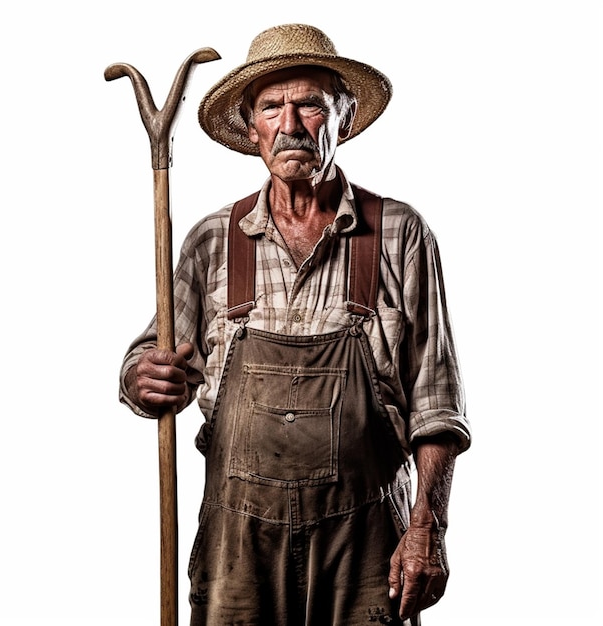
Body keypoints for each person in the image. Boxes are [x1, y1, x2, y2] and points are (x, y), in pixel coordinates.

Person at [120, 23, 471, 626]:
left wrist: (427, 528)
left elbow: (436, 405)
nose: (290, 123)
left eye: (310, 103)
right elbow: (155, 357)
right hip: (238, 549)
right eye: (271, 106)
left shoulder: (399, 234)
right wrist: (140, 379)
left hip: (365, 546)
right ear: (251, 126)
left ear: (344, 115)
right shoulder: (211, 241)